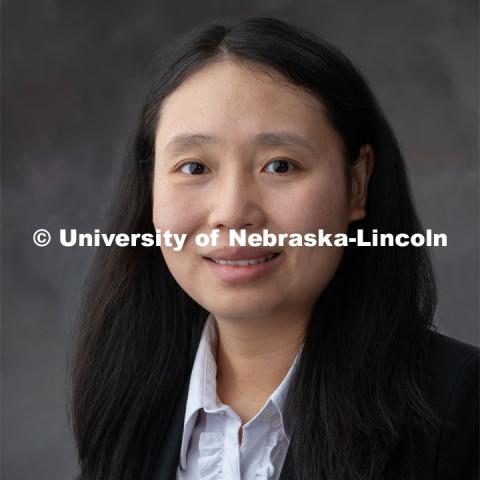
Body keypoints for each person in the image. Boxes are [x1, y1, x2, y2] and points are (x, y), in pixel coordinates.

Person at [69, 17, 479, 480]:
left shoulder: (461, 406)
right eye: (194, 166)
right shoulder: (129, 405)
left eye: (280, 165)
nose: (232, 211)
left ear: (357, 184)